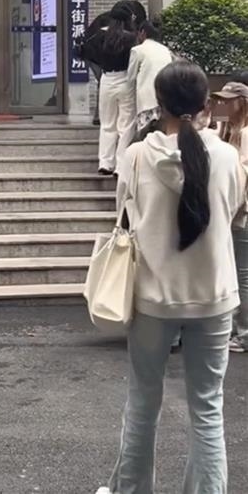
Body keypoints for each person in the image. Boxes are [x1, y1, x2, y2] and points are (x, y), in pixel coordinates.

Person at [95, 62, 246, 494]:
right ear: (204, 105)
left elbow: (124, 215)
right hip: (214, 296)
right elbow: (234, 213)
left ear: (158, 104)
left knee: (143, 403)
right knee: (207, 410)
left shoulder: (136, 156)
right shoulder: (226, 156)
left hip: (153, 298)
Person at [213, 81, 248, 354]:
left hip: (242, 213)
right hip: (233, 212)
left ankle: (244, 333)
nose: (221, 104)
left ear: (242, 103)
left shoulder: (245, 133)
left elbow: (242, 173)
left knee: (243, 275)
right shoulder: (226, 131)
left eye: (227, 100)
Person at [93, 1, 139, 176]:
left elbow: (94, 56)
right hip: (125, 80)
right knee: (126, 125)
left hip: (106, 79)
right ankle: (121, 165)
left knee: (107, 123)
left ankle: (105, 162)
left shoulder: (100, 36)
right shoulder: (131, 38)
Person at [127, 19, 173, 134]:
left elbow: (131, 77)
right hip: (164, 99)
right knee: (162, 132)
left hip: (146, 100)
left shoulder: (137, 50)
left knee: (145, 133)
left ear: (143, 32)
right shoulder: (165, 50)